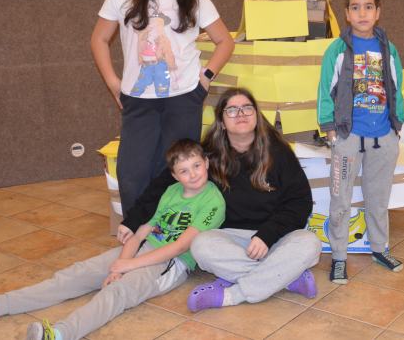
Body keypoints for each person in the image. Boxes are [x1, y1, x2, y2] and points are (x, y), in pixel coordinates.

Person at [0, 139, 224, 340]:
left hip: (171, 263)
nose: (192, 174)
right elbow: (142, 232)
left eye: (196, 166)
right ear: (174, 175)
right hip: (143, 250)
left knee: (118, 292)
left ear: (206, 163)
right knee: (75, 274)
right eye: (184, 170)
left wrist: (125, 268)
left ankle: (59, 334)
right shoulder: (171, 192)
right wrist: (121, 264)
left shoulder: (213, 200)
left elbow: (179, 246)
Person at [124, 87, 321, 311]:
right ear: (221, 121)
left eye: (247, 108)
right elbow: (163, 184)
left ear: (256, 115)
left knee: (310, 243)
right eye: (232, 110)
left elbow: (300, 202)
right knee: (200, 245)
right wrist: (133, 221)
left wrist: (267, 235)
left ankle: (231, 295)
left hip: (275, 237)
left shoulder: (279, 152)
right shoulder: (208, 155)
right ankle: (287, 277)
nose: (241, 114)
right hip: (230, 239)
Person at [90, 0, 234, 214]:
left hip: (184, 98)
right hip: (138, 99)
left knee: (177, 172)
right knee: (133, 172)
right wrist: (113, 83)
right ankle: (137, 229)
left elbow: (225, 42)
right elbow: (99, 39)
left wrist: (205, 79)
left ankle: (171, 231)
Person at [317, 0, 404, 285]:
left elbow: (397, 87)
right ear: (347, 13)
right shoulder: (337, 50)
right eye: (355, 8)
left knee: (378, 198)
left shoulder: (388, 48)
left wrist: (397, 125)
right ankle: (339, 256)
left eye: (368, 7)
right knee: (340, 199)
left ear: (378, 12)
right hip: (348, 137)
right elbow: (325, 90)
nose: (362, 13)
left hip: (383, 136)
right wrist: (330, 129)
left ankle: (380, 249)